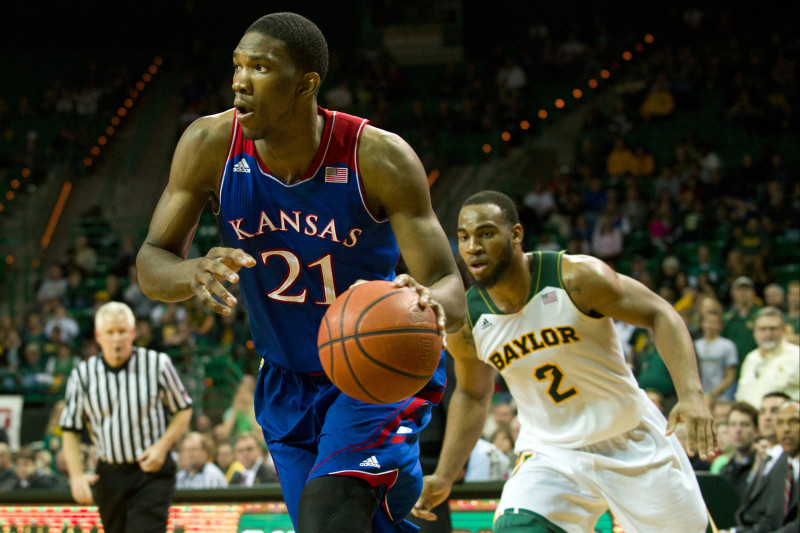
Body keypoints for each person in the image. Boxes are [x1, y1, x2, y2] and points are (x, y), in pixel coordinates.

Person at [135, 12, 465, 533]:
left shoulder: (378, 157)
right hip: (285, 381)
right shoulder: (209, 145)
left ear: (306, 84)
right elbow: (152, 260)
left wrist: (423, 303)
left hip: (375, 370)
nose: (241, 81)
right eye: (238, 67)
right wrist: (192, 271)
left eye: (261, 68)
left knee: (327, 516)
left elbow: (452, 289)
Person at [412, 191, 715, 533]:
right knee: (517, 527)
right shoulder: (468, 321)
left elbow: (660, 313)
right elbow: (472, 394)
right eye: (464, 237)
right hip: (552, 453)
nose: (472, 247)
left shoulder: (576, 278)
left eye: (486, 233)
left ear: (515, 235)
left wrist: (691, 395)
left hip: (630, 438)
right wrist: (446, 474)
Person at [59, 301, 193, 533]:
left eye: (122, 331)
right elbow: (70, 429)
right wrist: (77, 475)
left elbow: (183, 408)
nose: (117, 338)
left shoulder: (157, 364)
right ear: (99, 336)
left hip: (151, 473)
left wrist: (162, 447)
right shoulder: (83, 374)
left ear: (133, 333)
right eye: (110, 333)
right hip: (109, 475)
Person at [722, 400, 799, 533]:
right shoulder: (782, 467)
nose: (786, 429)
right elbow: (771, 519)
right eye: (780, 423)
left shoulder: (781, 464)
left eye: (794, 421)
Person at [735, 307, 800, 409]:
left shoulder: (796, 356)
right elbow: (741, 396)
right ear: (755, 331)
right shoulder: (750, 358)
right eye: (763, 329)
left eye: (773, 329)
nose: (768, 333)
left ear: (783, 330)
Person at [694, 310, 739, 405]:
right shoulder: (695, 345)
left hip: (722, 397)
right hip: (699, 397)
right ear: (702, 324)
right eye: (708, 322)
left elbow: (730, 376)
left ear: (720, 326)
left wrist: (714, 393)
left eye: (714, 323)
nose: (710, 326)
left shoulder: (728, 346)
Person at [719, 402, 760, 499]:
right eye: (733, 424)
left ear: (756, 431)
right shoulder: (726, 469)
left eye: (744, 425)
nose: (738, 430)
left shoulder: (762, 466)